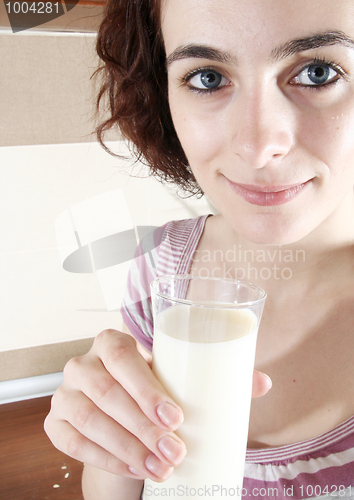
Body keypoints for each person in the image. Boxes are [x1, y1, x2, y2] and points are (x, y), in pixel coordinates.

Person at [44, 0, 354, 498]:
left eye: (318, 72)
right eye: (207, 77)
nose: (256, 147)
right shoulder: (163, 268)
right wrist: (114, 442)